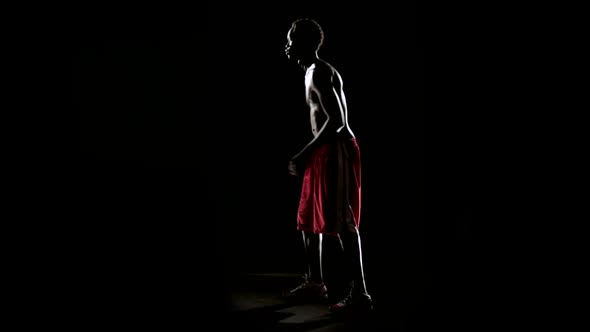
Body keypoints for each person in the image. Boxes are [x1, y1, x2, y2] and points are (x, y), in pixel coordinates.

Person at [283, 18, 373, 313]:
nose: (287, 46)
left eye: (291, 41)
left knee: (344, 222)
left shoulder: (320, 72)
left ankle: (360, 294)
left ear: (305, 43)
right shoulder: (310, 71)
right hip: (322, 151)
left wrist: (302, 152)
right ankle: (315, 282)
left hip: (336, 150)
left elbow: (338, 122)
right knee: (307, 216)